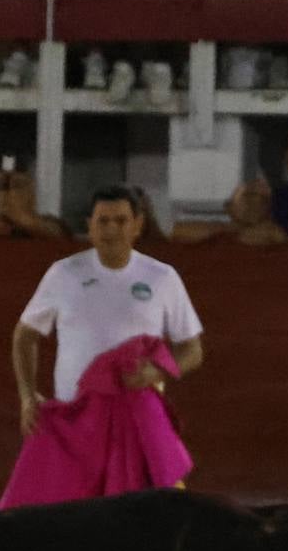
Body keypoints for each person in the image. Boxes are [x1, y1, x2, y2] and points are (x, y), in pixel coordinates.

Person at [10, 184, 203, 448]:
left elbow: (192, 349)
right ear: (90, 226)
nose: (111, 229)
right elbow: (25, 336)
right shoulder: (64, 273)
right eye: (103, 221)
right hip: (76, 417)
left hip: (137, 417)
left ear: (138, 224)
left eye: (121, 221)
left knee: (142, 488)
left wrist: (157, 370)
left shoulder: (162, 277)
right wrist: (28, 396)